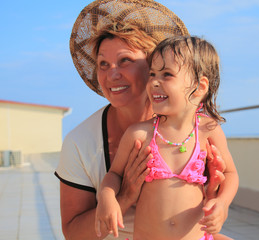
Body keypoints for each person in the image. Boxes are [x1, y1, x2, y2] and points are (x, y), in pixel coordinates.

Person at [55, 1, 232, 239]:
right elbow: (73, 233)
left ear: (151, 62)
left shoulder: (201, 128)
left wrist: (216, 197)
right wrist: (122, 197)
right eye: (103, 64)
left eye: (125, 60)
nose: (112, 74)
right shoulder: (83, 142)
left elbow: (226, 178)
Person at [95, 36, 239, 240]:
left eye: (167, 75)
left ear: (199, 87)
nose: (154, 82)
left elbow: (231, 173)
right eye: (152, 73)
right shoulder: (140, 134)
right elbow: (114, 175)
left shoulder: (208, 129)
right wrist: (107, 197)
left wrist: (222, 203)